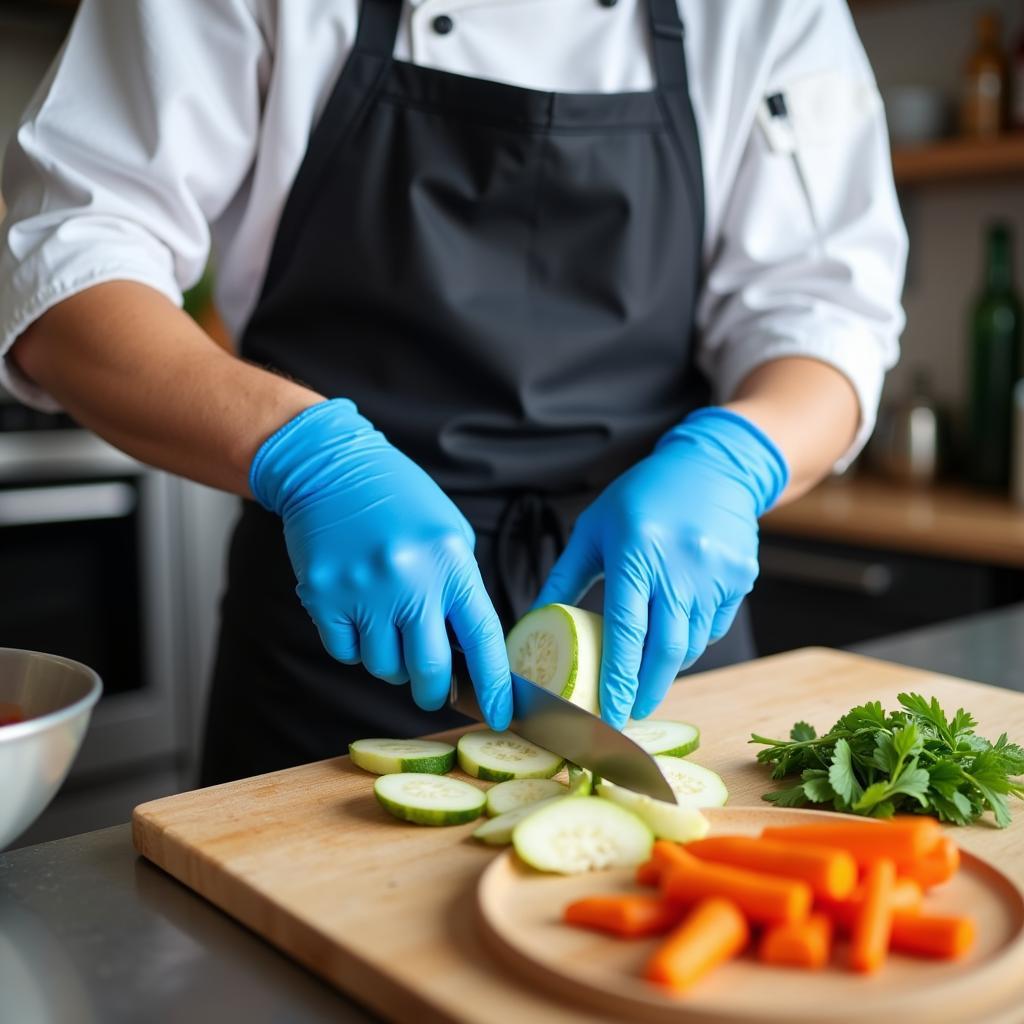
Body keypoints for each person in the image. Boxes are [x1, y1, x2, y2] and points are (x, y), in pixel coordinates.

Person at [0, 0, 906, 785]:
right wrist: (310, 457)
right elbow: (65, 264)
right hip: (335, 635)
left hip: (654, 630)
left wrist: (738, 458)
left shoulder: (772, 12)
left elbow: (828, 317)